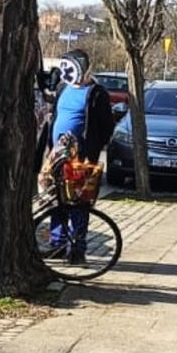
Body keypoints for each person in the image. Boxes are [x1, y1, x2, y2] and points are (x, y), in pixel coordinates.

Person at [41, 49, 115, 260]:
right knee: (55, 201)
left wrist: (91, 148)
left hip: (79, 159)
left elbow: (107, 125)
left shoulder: (96, 93)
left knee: (78, 203)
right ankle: (57, 244)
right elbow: (55, 114)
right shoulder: (63, 88)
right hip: (56, 157)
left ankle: (77, 248)